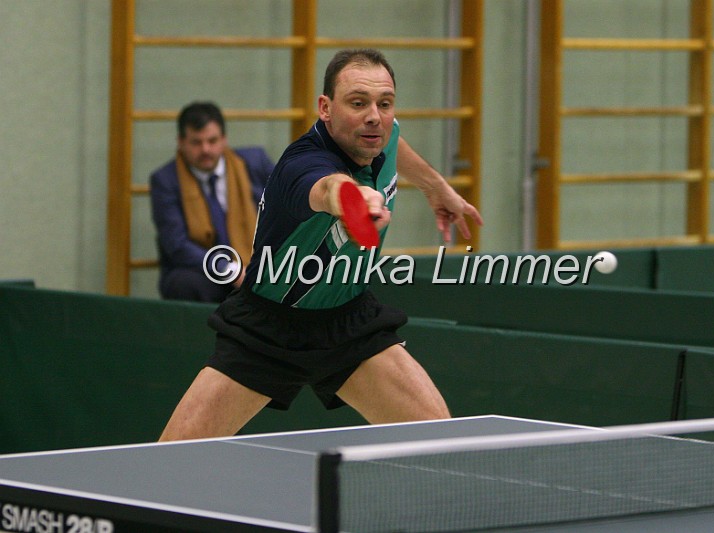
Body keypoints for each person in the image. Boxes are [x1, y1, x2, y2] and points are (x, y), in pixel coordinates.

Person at [159, 49, 482, 440]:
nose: (374, 116)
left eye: (385, 104)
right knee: (173, 454)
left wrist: (436, 187)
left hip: (349, 322)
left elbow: (396, 142)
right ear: (325, 108)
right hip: (269, 330)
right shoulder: (301, 164)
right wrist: (356, 202)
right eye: (358, 103)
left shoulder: (379, 133)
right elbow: (328, 187)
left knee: (440, 439)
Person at [150, 102, 275, 303]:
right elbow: (177, 245)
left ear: (224, 139)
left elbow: (287, 206)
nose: (205, 149)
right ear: (180, 142)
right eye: (196, 142)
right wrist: (230, 270)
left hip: (258, 260)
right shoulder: (165, 180)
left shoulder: (254, 162)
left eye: (212, 140)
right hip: (203, 269)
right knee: (186, 284)